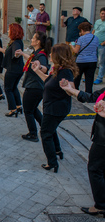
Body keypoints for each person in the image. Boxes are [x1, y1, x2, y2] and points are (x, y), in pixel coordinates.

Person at [59, 80, 105, 216]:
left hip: (103, 140)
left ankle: (101, 205)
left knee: (95, 168)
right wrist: (70, 89)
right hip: (100, 136)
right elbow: (90, 97)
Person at [31, 43, 79, 172]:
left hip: (55, 109)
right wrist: (36, 71)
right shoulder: (59, 69)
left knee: (45, 134)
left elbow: (72, 90)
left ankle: (52, 162)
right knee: (50, 130)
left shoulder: (65, 72)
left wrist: (67, 87)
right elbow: (48, 80)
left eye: (52, 53)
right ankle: (57, 151)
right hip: (53, 107)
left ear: (59, 56)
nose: (50, 55)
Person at [15, 32, 51, 142]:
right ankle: (46, 129)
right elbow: (32, 60)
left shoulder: (41, 55)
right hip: (35, 86)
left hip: (35, 86)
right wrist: (22, 54)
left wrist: (40, 67)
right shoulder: (37, 53)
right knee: (33, 109)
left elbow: (44, 68)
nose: (31, 39)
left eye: (33, 38)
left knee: (28, 110)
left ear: (38, 41)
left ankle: (33, 133)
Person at [0, 23, 24, 115]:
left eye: (10, 30)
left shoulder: (16, 43)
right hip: (18, 69)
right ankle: (19, 106)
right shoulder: (17, 41)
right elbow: (8, 52)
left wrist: (17, 54)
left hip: (13, 69)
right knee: (14, 88)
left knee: (8, 89)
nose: (8, 31)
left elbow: (16, 53)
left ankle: (13, 109)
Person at [71, 22, 99, 93]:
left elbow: (76, 51)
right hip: (92, 60)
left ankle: (75, 91)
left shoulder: (81, 38)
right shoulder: (95, 38)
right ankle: (88, 95)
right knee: (89, 79)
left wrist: (72, 46)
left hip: (81, 61)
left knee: (77, 78)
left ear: (82, 30)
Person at [93, 7, 105, 84]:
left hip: (102, 45)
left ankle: (100, 78)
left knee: (101, 62)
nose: (103, 15)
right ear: (100, 14)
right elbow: (94, 30)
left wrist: (104, 42)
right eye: (102, 13)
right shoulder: (97, 21)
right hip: (94, 44)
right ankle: (91, 76)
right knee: (93, 61)